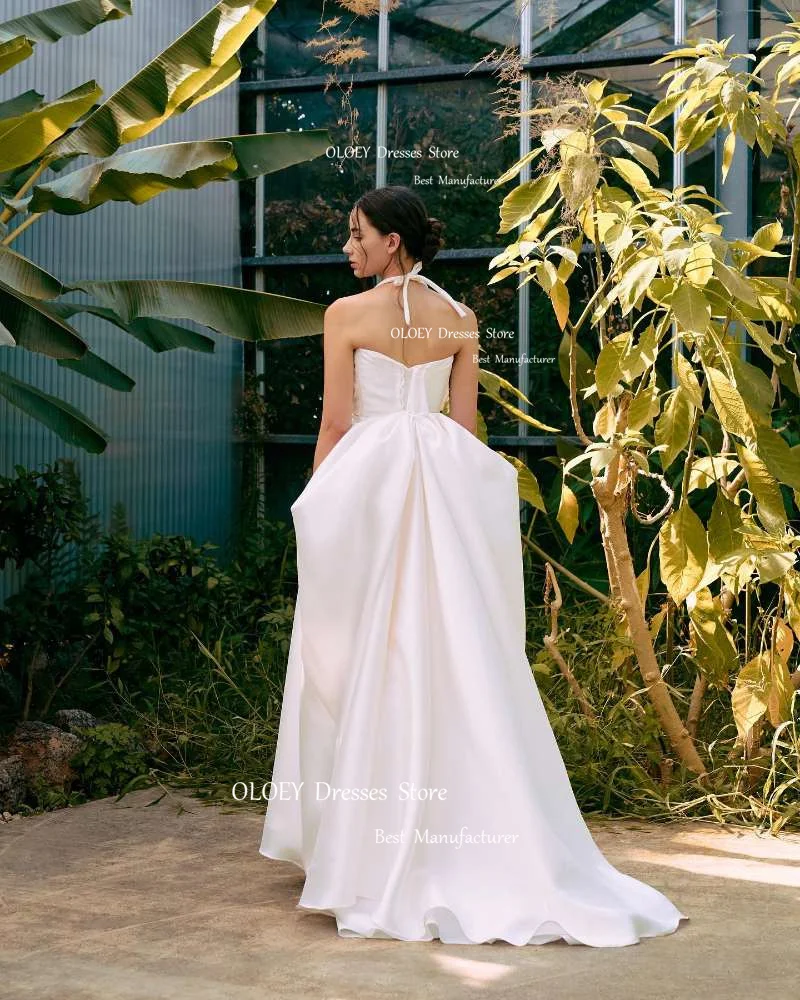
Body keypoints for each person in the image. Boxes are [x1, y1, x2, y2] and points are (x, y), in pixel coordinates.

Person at [259, 184, 688, 947]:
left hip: (368, 487)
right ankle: (453, 835)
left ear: (393, 242)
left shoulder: (343, 316)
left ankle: (364, 844)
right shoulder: (460, 320)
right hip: (439, 492)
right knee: (451, 654)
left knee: (359, 652)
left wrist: (314, 508)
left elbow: (333, 421)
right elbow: (464, 431)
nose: (348, 248)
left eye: (357, 235)